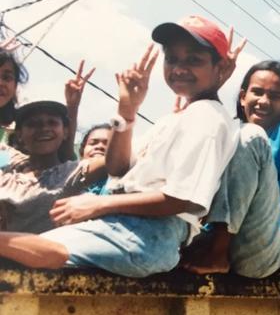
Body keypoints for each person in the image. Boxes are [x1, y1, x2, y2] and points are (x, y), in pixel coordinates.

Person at [0, 15, 243, 276]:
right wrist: (127, 111)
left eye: (194, 60)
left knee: (45, 250)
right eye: (172, 58)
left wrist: (98, 206)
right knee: (23, 249)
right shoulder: (176, 119)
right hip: (128, 225)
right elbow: (117, 166)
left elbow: (179, 199)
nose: (179, 68)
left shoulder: (207, 117)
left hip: (148, 232)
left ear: (220, 68)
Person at [182, 59, 280, 281]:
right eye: (257, 92)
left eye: (275, 96)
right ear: (242, 96)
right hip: (216, 237)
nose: (264, 102)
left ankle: (218, 252)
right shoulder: (230, 131)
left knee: (252, 136)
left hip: (264, 243)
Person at [0, 100, 105, 233]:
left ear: (65, 132)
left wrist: (125, 115)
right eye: (33, 124)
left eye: (52, 122)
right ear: (19, 135)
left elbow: (117, 162)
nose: (44, 129)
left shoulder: (70, 174)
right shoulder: (11, 163)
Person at [79, 123, 112, 195]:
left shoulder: (120, 182)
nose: (100, 146)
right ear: (82, 150)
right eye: (93, 143)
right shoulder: (69, 178)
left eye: (108, 144)